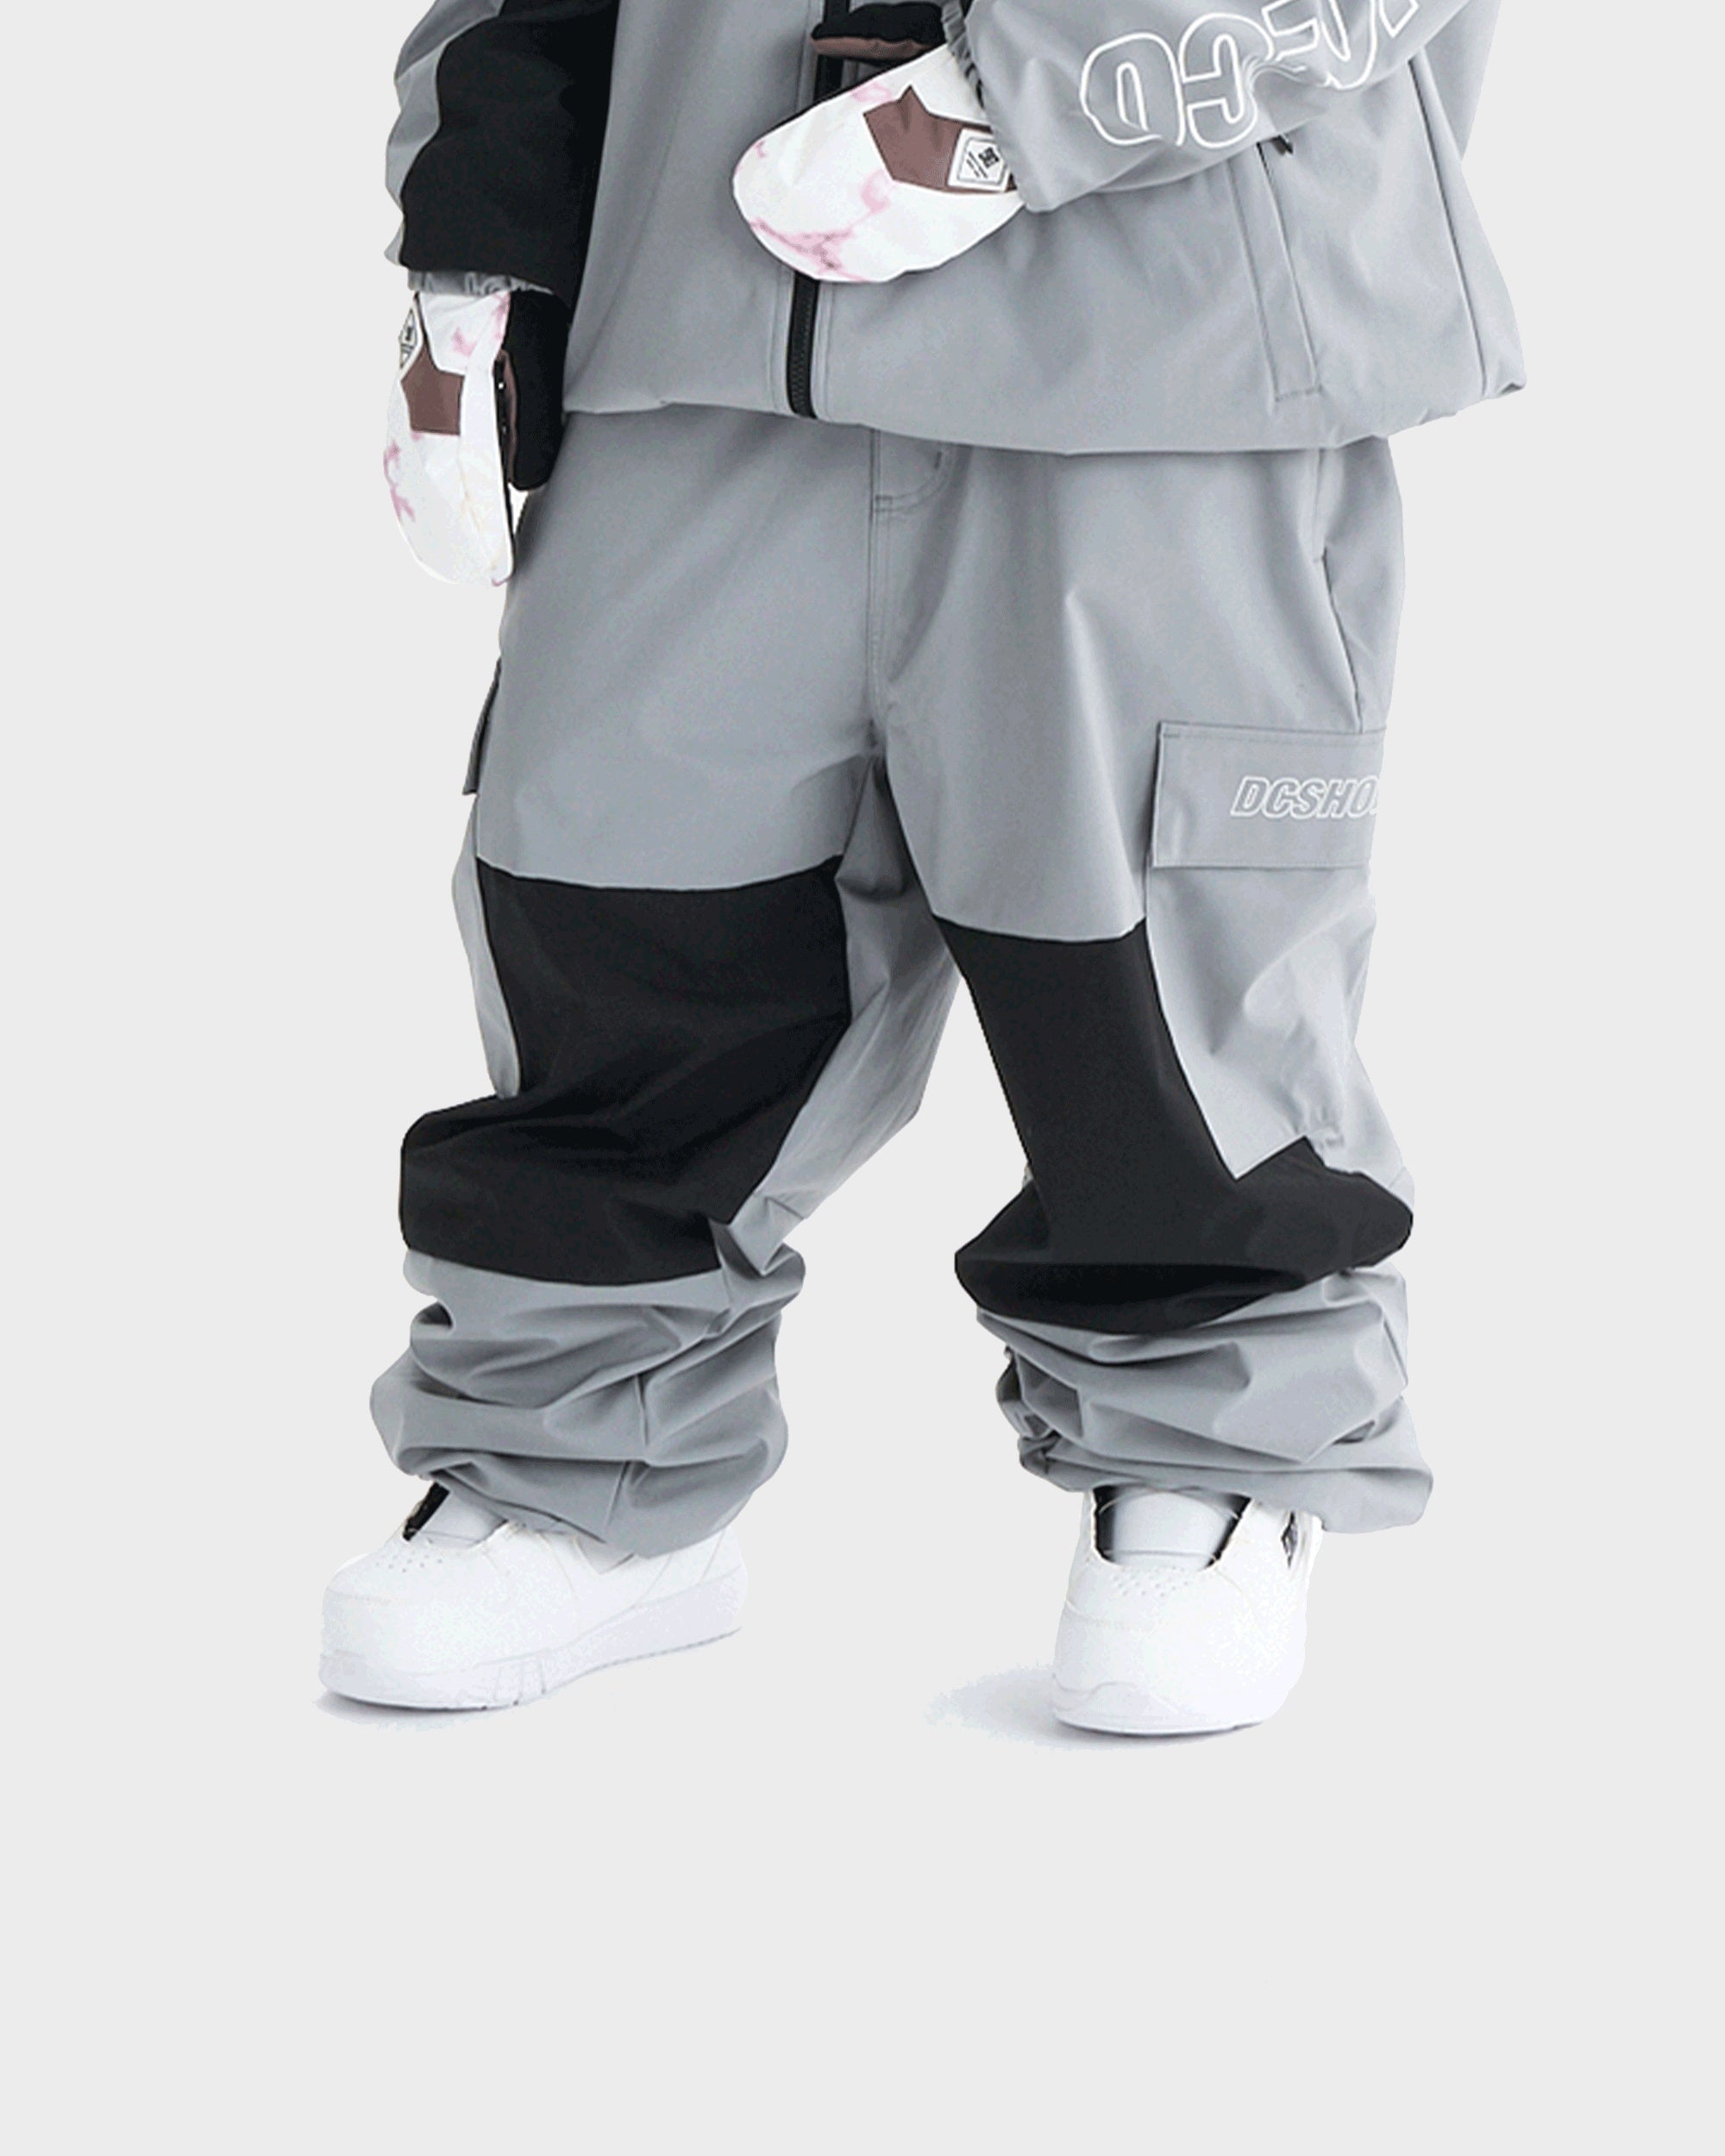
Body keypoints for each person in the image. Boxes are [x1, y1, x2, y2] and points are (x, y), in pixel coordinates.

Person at [321, 0, 1521, 1730]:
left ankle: (1209, 1456)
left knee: (1153, 969)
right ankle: (582, 1459)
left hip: (1159, 311)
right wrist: (484, 225)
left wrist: (1028, 96)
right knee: (619, 895)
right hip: (702, 294)